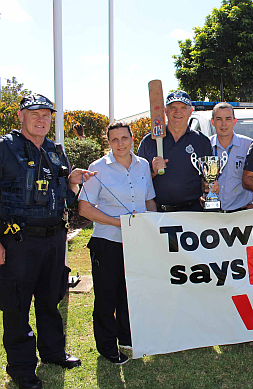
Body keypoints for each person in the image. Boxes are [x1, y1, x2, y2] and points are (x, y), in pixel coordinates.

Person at [0, 94, 94, 389]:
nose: (41, 119)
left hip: (54, 239)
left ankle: (53, 352)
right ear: (20, 116)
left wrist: (73, 182)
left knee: (51, 299)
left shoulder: (55, 151)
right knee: (17, 305)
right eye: (35, 114)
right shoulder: (5, 148)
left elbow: (64, 195)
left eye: (46, 115)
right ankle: (21, 367)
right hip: (18, 240)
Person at [78, 121, 157, 365]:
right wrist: (116, 222)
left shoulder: (143, 165)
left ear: (132, 139)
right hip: (108, 241)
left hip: (136, 241)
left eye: (124, 138)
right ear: (108, 142)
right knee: (106, 297)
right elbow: (84, 208)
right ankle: (107, 347)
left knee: (130, 292)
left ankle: (127, 337)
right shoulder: (97, 168)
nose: (120, 144)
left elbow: (150, 200)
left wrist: (151, 224)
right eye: (114, 140)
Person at [137, 90, 212, 212]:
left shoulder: (201, 141)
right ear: (165, 111)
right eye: (173, 107)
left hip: (192, 212)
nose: (178, 112)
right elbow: (136, 181)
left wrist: (208, 186)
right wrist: (152, 171)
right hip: (157, 212)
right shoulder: (149, 141)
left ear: (190, 112)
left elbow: (207, 178)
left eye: (183, 107)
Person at [209, 103, 253, 212]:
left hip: (241, 213)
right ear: (212, 122)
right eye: (219, 119)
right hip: (211, 214)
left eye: (228, 119)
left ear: (234, 121)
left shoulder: (249, 145)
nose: (223, 124)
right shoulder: (205, 145)